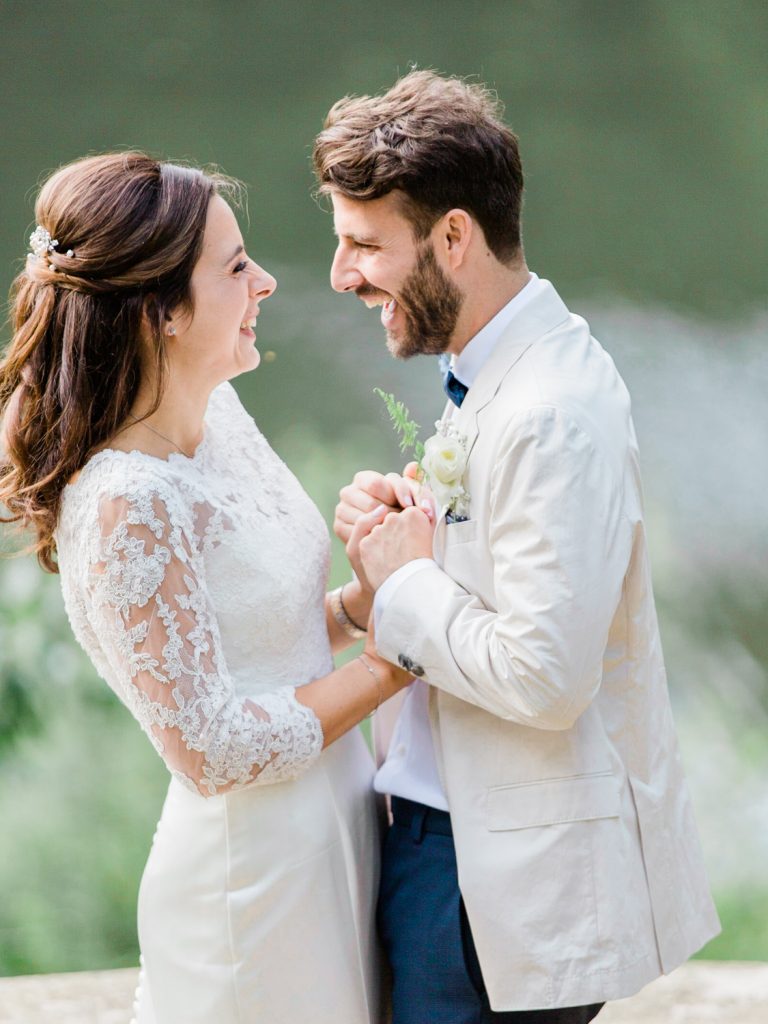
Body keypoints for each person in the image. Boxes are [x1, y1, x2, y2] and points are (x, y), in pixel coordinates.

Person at [314, 70, 721, 1023]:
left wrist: (409, 582)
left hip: (484, 880)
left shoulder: (548, 410)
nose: (342, 275)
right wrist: (418, 527)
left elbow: (545, 675)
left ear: (453, 237)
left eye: (365, 244)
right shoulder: (513, 367)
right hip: (456, 844)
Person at [0, 152, 415, 1024]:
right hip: (250, 884)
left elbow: (258, 640)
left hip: (332, 830)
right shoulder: (126, 503)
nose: (265, 282)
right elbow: (210, 749)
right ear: (162, 313)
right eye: (234, 268)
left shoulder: (217, 413)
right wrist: (395, 661)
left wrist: (361, 603)